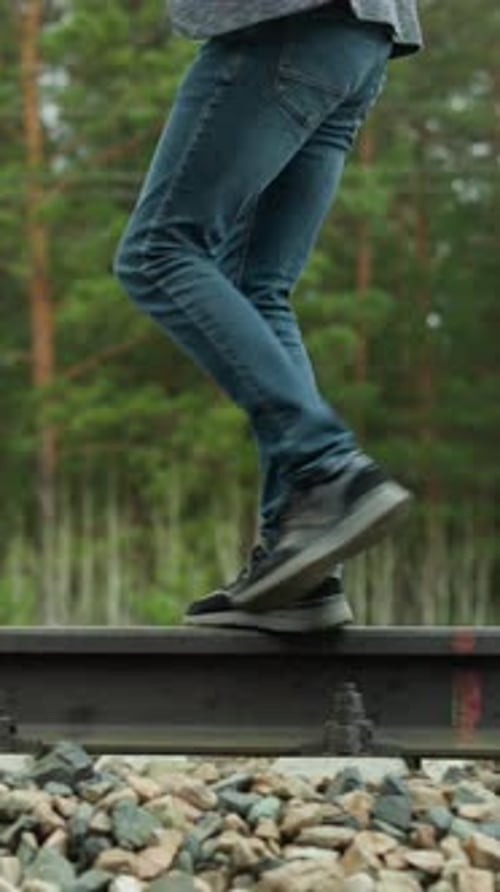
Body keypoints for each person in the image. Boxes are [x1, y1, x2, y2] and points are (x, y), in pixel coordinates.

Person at [113, 0, 423, 633]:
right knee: (257, 286)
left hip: (285, 24)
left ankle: (323, 468)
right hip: (361, 39)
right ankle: (301, 566)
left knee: (158, 252)